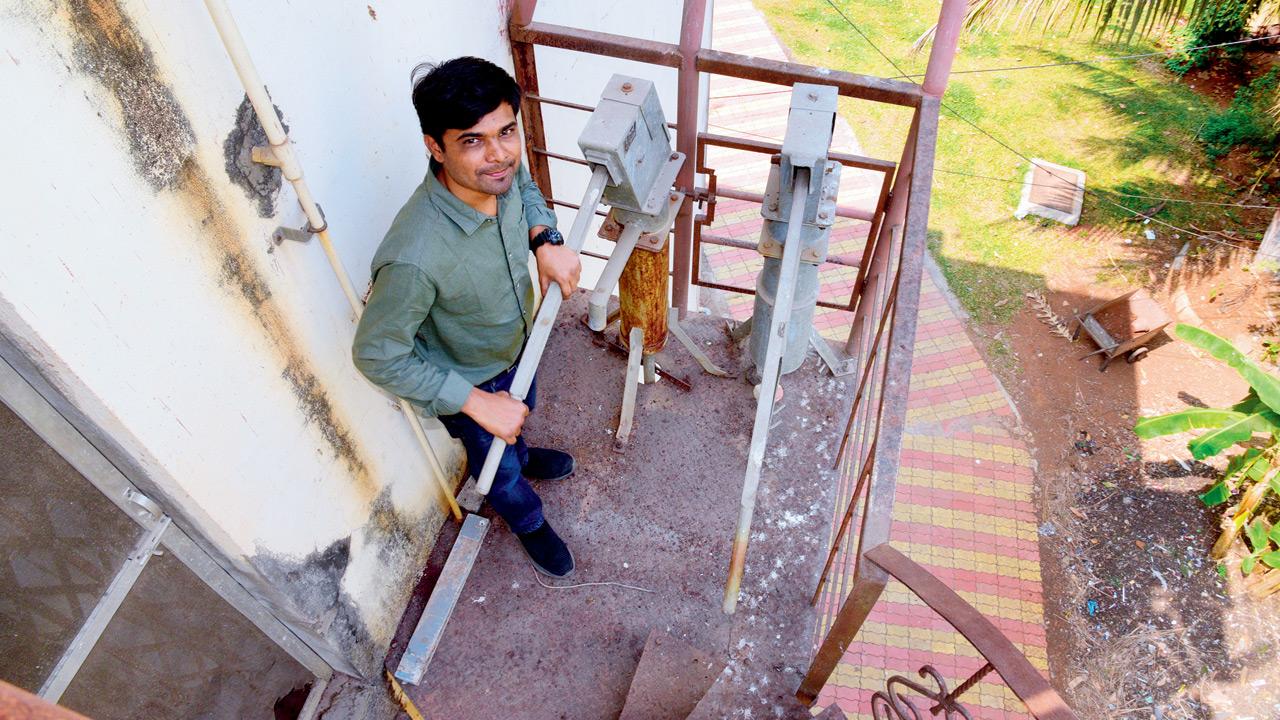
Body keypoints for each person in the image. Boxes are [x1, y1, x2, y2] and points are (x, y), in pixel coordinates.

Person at [352, 56, 582, 577]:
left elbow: (525, 187)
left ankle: (523, 454)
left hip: (516, 343)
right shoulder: (414, 256)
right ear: (436, 147)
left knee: (520, 415)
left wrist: (545, 238)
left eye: (506, 132)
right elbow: (376, 354)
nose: (499, 154)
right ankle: (529, 522)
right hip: (469, 381)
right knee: (496, 470)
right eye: (473, 140)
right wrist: (477, 403)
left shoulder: (500, 172)